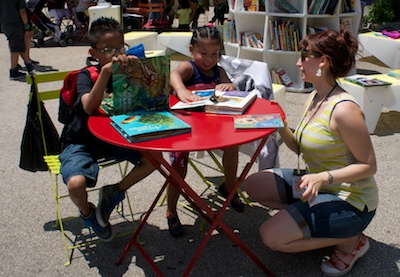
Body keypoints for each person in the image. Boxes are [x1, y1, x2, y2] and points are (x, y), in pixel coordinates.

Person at [244, 29, 378, 276]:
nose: (298, 62)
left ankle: (350, 241)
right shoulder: (316, 96)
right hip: (317, 185)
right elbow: (299, 146)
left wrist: (323, 177)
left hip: (351, 201)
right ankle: (310, 222)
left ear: (323, 61)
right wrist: (281, 126)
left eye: (304, 56)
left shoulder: (344, 109)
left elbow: (369, 166)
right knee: (254, 185)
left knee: (271, 236)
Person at [59, 17, 155, 241]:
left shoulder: (129, 70)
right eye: (108, 49)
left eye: (120, 47)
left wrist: (143, 73)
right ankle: (88, 213)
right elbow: (90, 107)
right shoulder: (87, 75)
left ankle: (114, 192)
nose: (116, 54)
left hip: (114, 138)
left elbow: (148, 100)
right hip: (81, 140)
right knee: (75, 183)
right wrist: (105, 74)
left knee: (155, 159)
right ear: (94, 53)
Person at [166, 25, 241, 237]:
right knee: (178, 166)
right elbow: (174, 75)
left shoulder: (219, 71)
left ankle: (228, 187)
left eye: (215, 54)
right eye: (203, 53)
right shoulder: (190, 68)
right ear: (192, 50)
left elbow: (232, 87)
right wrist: (181, 90)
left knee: (233, 145)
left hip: (211, 127)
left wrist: (229, 87)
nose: (209, 59)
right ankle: (171, 209)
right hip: (185, 129)